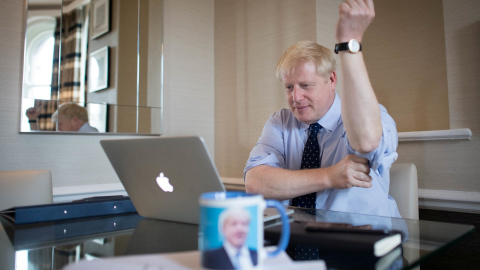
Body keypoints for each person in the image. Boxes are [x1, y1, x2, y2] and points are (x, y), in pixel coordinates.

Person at [244, 0, 400, 218]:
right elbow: (255, 183)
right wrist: (329, 176)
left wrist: (349, 43)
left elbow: (366, 142)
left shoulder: (370, 116)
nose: (295, 97)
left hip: (362, 243)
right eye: (289, 87)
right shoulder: (280, 122)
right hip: (296, 240)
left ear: (332, 80)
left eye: (306, 85)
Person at [27, 103, 99, 132]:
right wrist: (32, 120)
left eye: (60, 124)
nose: (58, 128)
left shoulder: (89, 136)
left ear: (75, 120)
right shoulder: (81, 135)